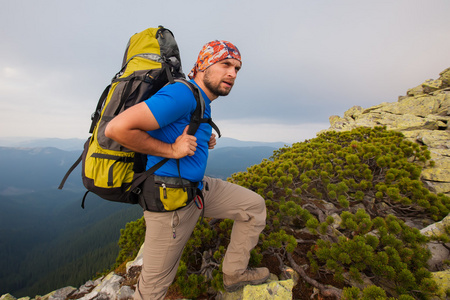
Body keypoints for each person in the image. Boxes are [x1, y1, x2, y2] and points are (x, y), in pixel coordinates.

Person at [105, 40, 268, 299]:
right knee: (154, 287)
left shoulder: (200, 98)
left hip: (197, 190)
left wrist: (203, 140)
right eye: (225, 64)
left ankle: (234, 273)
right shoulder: (181, 94)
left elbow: (178, 131)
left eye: (237, 68)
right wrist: (171, 151)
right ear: (203, 65)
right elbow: (116, 129)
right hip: (170, 204)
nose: (232, 74)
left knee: (253, 207)